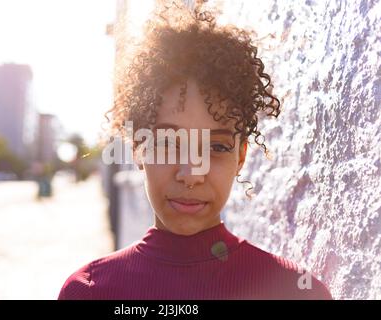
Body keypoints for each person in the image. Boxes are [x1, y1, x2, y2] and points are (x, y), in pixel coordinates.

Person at [58, 1, 332, 300]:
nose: (191, 174)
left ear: (240, 157)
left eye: (216, 146)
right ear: (138, 148)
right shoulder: (89, 291)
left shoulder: (296, 293)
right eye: (167, 144)